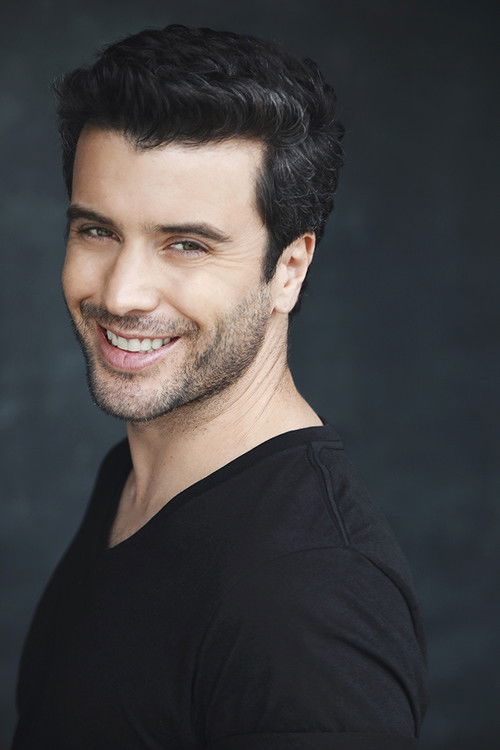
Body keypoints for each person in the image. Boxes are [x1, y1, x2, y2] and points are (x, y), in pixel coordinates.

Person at [13, 24, 428, 749]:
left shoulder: (311, 602)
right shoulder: (135, 476)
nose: (122, 294)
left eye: (186, 244)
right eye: (98, 231)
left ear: (289, 270)